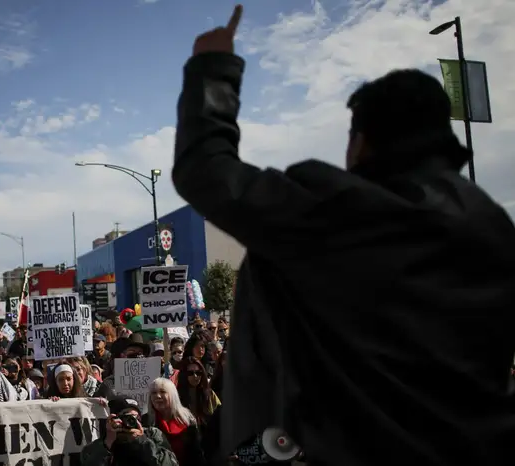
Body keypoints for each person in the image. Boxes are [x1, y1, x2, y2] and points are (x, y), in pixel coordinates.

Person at [172, 5, 515, 466]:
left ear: (363, 142)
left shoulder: (341, 211)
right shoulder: (492, 225)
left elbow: (208, 172)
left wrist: (212, 68)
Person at [81, 395, 179, 466]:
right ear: (114, 418)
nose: (132, 421)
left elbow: (171, 463)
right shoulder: (101, 443)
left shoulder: (152, 434)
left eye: (136, 417)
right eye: (127, 416)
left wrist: (142, 441)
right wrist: (108, 442)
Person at [146, 378, 207, 466]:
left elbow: (197, 455)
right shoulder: (146, 421)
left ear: (172, 395)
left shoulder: (187, 420)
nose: (158, 396)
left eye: (163, 392)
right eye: (154, 393)